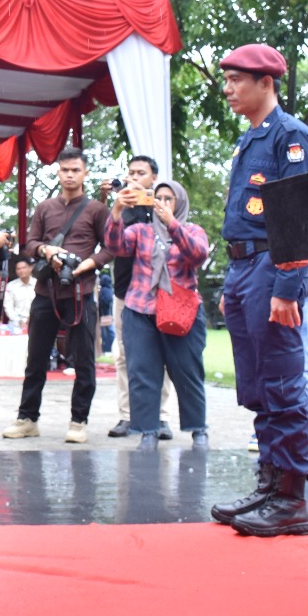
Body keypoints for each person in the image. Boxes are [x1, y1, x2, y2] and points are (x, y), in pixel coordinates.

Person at [209, 43, 308, 539]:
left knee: (283, 384)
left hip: (272, 269)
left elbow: (299, 217)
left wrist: (288, 288)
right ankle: (269, 486)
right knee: (257, 384)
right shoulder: (248, 140)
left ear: (265, 83)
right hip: (242, 269)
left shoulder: (290, 137)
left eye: (236, 80)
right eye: (226, 79)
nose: (228, 89)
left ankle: (290, 498)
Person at [2, 148, 110, 445]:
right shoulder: (45, 207)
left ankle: (79, 421)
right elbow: (29, 243)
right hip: (46, 291)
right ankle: (27, 418)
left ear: (85, 173)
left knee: (84, 360)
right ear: (59, 172)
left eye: (76, 169)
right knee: (36, 358)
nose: (70, 175)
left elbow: (110, 247)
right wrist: (46, 251)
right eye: (65, 170)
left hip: (82, 292)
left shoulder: (97, 210)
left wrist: (87, 264)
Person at [102, 180, 211, 448]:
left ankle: (198, 430)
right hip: (141, 311)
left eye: (169, 198)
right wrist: (115, 212)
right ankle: (147, 432)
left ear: (180, 203)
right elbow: (115, 247)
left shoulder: (191, 230)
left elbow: (198, 255)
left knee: (187, 372)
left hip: (182, 313)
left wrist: (172, 224)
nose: (162, 203)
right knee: (142, 373)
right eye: (158, 197)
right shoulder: (141, 231)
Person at [99, 155, 169, 438]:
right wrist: (112, 204)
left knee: (162, 356)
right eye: (131, 172)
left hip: (161, 292)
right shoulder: (119, 205)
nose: (135, 177)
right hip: (125, 292)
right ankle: (127, 416)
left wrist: (157, 205)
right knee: (125, 356)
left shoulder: (164, 203)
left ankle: (160, 417)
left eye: (141, 173)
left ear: (154, 177)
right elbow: (108, 242)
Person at [1, 257, 36, 330]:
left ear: (30, 268)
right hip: (16, 323)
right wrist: (19, 321)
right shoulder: (10, 286)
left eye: (24, 268)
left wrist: (30, 320)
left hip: (35, 321)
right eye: (18, 269)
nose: (21, 271)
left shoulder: (38, 284)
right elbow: (8, 307)